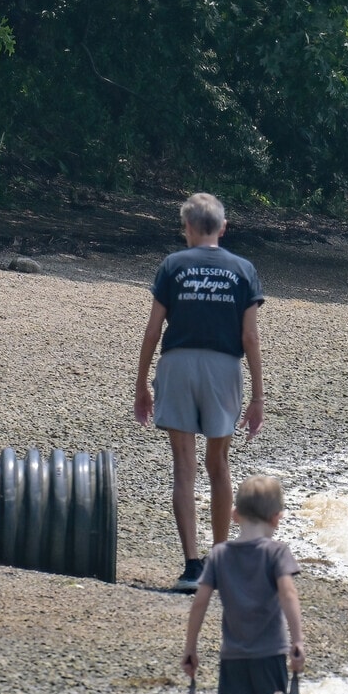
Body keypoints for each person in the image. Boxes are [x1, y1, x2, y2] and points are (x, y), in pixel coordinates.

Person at [134, 191, 266, 591]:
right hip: (222, 368)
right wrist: (258, 396)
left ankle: (192, 566)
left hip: (177, 365)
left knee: (184, 466)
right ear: (223, 228)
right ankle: (220, 561)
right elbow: (250, 337)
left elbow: (154, 330)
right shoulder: (243, 270)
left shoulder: (173, 265)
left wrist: (141, 383)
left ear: (187, 228)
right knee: (219, 463)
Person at [183, 475, 305, 694]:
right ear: (276, 518)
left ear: (234, 514)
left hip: (233, 657)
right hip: (271, 654)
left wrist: (191, 647)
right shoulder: (277, 552)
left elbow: (200, 601)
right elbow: (288, 593)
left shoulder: (220, 554)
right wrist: (298, 640)